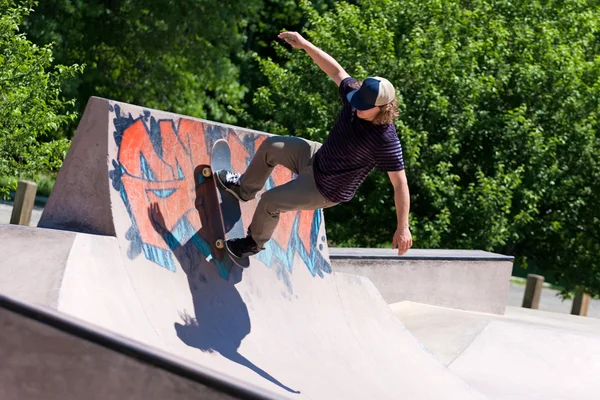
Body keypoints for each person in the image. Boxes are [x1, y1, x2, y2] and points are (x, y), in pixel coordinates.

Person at [217, 31, 412, 259]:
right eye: (357, 101)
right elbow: (336, 71)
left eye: (364, 107)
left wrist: (403, 227)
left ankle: (253, 243)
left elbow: (400, 184)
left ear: (382, 108)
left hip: (326, 189)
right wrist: (305, 44)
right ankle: (244, 189)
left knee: (270, 201)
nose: (356, 107)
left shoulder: (385, 140)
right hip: (317, 156)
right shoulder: (354, 98)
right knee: (272, 146)